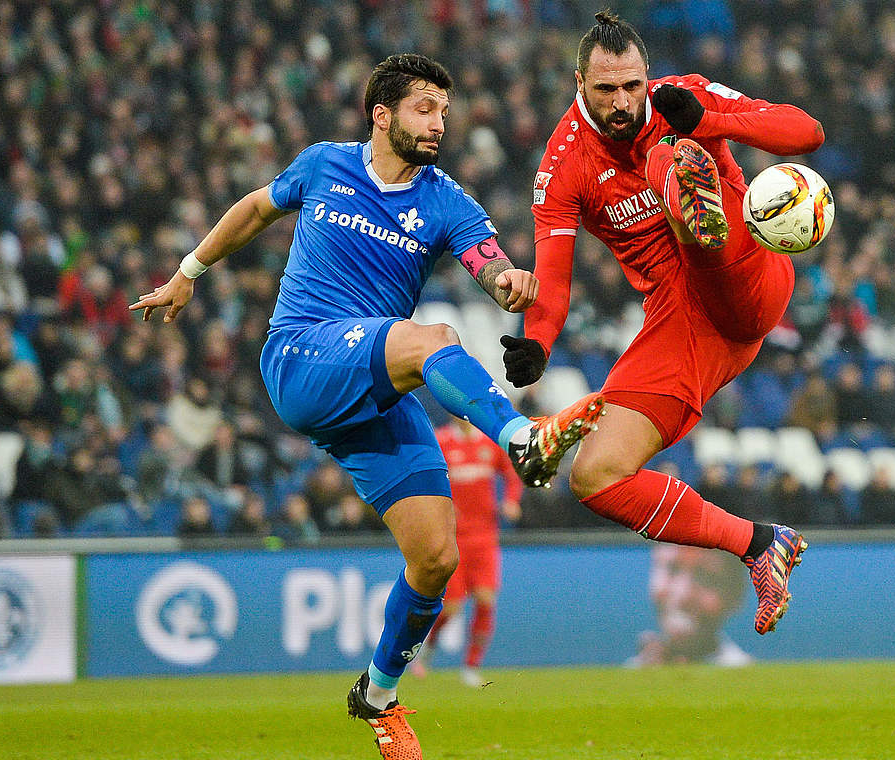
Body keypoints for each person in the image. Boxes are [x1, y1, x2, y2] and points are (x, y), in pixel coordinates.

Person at [130, 54, 603, 760]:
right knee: (433, 336)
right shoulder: (325, 165)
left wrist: (507, 283)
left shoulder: (446, 201)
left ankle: (377, 696)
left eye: (444, 110)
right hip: (302, 357)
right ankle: (519, 436)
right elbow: (257, 207)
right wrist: (185, 276)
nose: (439, 122)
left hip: (376, 382)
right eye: (424, 108)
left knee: (436, 558)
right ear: (381, 115)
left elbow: (489, 263)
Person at [499, 12, 820, 636]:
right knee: (596, 476)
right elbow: (554, 281)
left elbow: (806, 132)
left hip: (747, 274)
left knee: (667, 154)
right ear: (578, 83)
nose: (623, 103)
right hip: (687, 322)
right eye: (606, 91)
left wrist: (711, 121)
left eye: (632, 87)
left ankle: (696, 203)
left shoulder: (685, 96)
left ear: (646, 76)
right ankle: (760, 545)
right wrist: (535, 343)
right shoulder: (562, 164)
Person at [413, 416, 523, 687]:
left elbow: (512, 475)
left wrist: (510, 501)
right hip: (452, 538)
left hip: (485, 536)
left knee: (486, 600)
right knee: (451, 607)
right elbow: (425, 479)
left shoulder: (488, 441)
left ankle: (472, 666)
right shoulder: (440, 440)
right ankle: (427, 648)